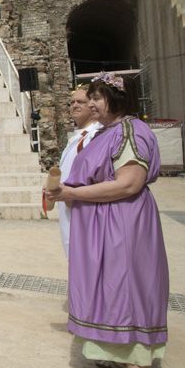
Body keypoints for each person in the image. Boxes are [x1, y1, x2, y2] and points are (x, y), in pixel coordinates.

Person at [44, 73, 168, 368]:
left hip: (121, 224)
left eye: (98, 98)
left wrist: (74, 194)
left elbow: (129, 183)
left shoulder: (130, 130)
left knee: (127, 287)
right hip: (105, 222)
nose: (92, 104)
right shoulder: (110, 131)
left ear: (118, 99)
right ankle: (125, 357)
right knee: (112, 288)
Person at [55, 87, 101, 258]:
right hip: (69, 204)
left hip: (84, 208)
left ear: (92, 106)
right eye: (72, 102)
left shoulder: (95, 135)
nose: (74, 105)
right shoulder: (78, 136)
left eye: (80, 102)